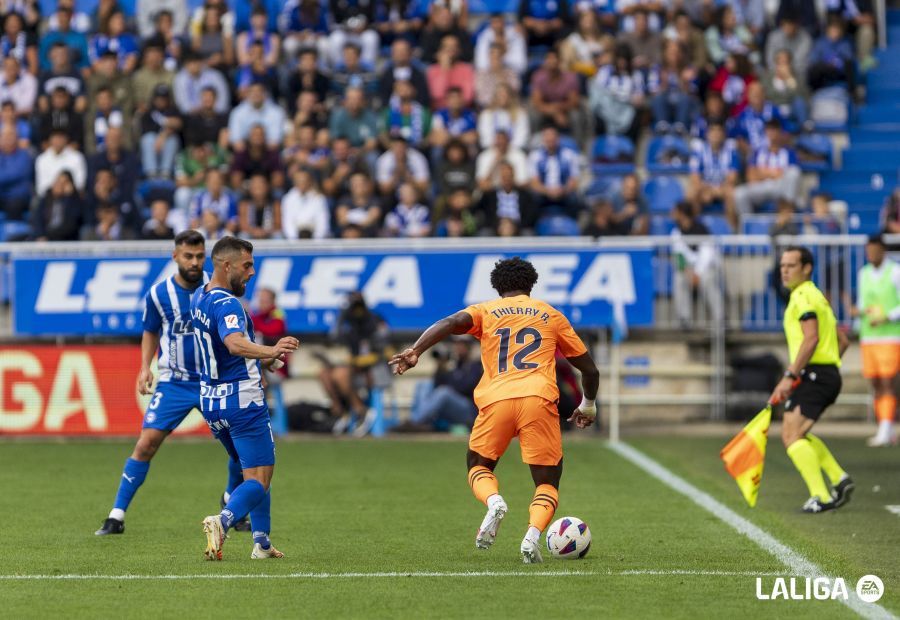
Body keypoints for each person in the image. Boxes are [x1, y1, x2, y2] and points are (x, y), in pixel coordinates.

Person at [390, 257, 600, 563]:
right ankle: (531, 536)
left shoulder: (485, 310)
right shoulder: (551, 315)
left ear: (497, 286)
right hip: (538, 400)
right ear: (531, 285)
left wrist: (415, 351)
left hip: (496, 399)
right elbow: (590, 370)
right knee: (546, 482)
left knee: (479, 466)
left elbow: (448, 323)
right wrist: (588, 405)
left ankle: (494, 500)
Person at [94, 233, 244, 535]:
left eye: (200, 256)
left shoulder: (216, 289)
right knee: (146, 444)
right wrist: (144, 367)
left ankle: (232, 503)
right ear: (175, 256)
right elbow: (150, 331)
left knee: (240, 449)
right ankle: (116, 515)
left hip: (212, 382)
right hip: (174, 382)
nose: (195, 262)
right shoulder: (158, 294)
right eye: (188, 256)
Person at [191, 237, 300, 560]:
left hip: (212, 402)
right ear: (226, 266)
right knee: (260, 477)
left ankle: (262, 544)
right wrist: (272, 349)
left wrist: (265, 359)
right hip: (242, 402)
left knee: (249, 470)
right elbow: (235, 344)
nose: (252, 272)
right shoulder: (227, 304)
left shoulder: (200, 297)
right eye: (247, 265)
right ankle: (222, 519)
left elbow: (230, 349)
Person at [769, 246, 854, 513]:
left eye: (791, 265)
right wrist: (829, 365)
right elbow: (843, 340)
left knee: (791, 435)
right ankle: (839, 479)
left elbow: (811, 338)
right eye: (782, 265)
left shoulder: (803, 296)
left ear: (807, 268)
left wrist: (790, 375)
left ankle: (822, 496)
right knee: (797, 433)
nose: (784, 270)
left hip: (815, 373)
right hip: (820, 373)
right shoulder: (818, 297)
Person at [854, 235, 900, 447]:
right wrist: (858, 311)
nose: (870, 255)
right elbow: (864, 303)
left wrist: (888, 316)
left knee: (888, 382)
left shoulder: (895, 272)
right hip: (869, 337)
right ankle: (886, 427)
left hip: (890, 336)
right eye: (868, 251)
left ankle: (885, 427)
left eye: (874, 251)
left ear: (882, 250)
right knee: (875, 382)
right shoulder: (863, 274)